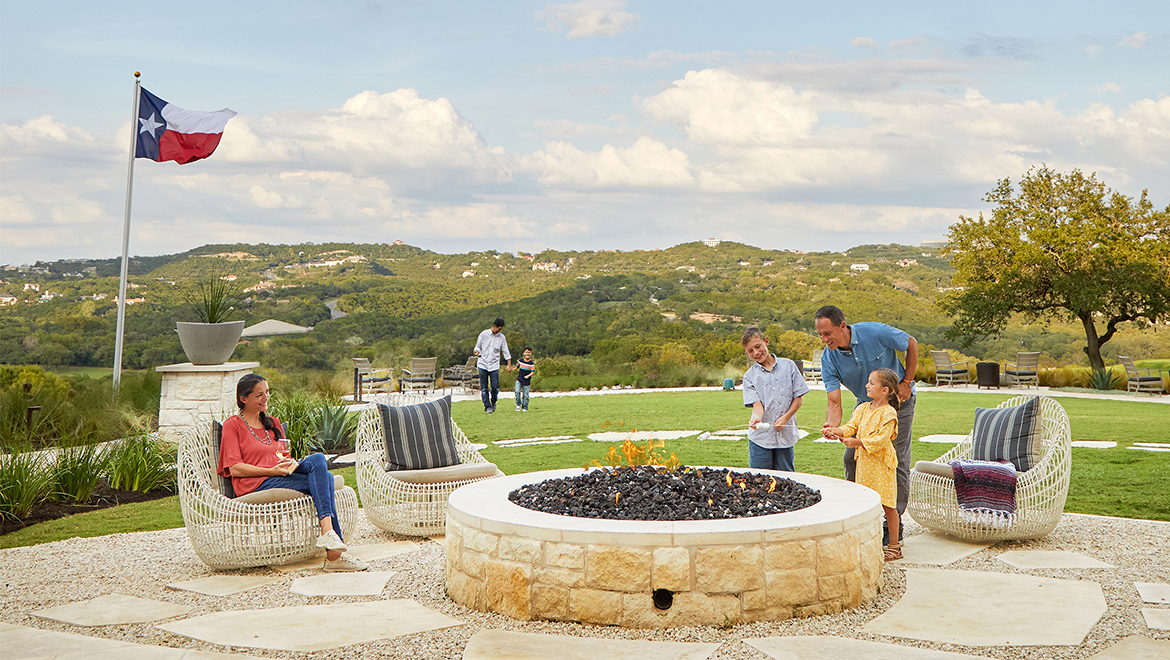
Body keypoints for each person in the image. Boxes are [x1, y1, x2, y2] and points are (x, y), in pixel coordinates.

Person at [217, 374, 368, 572]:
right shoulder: (233, 425)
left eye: (267, 392)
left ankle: (328, 533)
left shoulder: (273, 423)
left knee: (317, 459)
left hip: (280, 474)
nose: (266, 398)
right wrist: (270, 470)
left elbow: (281, 457)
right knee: (328, 480)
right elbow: (234, 467)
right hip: (255, 483)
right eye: (259, 395)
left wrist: (287, 464)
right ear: (243, 399)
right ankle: (332, 551)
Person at [816, 304, 917, 545]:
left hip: (897, 404)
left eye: (828, 333)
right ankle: (858, 512)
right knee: (850, 458)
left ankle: (894, 521)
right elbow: (834, 401)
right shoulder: (828, 358)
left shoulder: (874, 332)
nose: (824, 339)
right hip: (865, 407)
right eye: (820, 334)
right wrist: (832, 428)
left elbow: (911, 343)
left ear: (842, 326)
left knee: (896, 459)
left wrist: (907, 382)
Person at [822, 368, 902, 561]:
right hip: (865, 464)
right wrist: (836, 431)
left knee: (888, 505)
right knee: (867, 503)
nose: (867, 385)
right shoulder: (863, 408)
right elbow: (851, 427)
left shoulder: (889, 413)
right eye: (868, 381)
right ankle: (870, 542)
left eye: (872, 383)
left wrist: (857, 443)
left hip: (882, 465)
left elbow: (882, 440)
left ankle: (894, 546)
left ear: (885, 390)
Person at [741, 326, 810, 472]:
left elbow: (798, 399)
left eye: (758, 346)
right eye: (750, 351)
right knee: (760, 482)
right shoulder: (749, 376)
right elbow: (757, 405)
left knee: (786, 482)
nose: (756, 353)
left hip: (785, 438)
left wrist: (785, 418)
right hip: (760, 439)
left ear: (766, 342)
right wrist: (756, 419)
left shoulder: (789, 366)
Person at [474, 317, 511, 413]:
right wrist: (477, 351)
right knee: (484, 388)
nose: (500, 331)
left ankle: (493, 401)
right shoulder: (483, 334)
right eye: (499, 329)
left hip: (494, 365)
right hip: (483, 363)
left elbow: (505, 350)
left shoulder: (502, 337)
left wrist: (509, 364)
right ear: (494, 326)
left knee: (495, 386)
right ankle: (487, 407)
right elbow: (477, 346)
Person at [514, 346, 535, 412]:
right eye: (526, 352)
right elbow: (516, 367)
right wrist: (510, 369)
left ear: (531, 354)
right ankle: (518, 405)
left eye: (529, 352)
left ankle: (525, 407)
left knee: (525, 395)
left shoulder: (531, 363)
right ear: (523, 353)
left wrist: (528, 376)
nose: (527, 354)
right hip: (519, 379)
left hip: (526, 381)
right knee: (517, 391)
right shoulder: (520, 361)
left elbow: (533, 371)